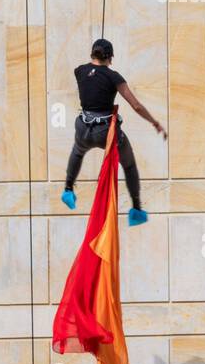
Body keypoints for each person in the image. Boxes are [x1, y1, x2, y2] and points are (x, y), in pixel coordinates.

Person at [61, 38, 167, 226]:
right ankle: (136, 210)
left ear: (92, 54)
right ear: (110, 58)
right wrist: (154, 122)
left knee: (77, 151)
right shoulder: (114, 77)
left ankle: (68, 189)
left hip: (84, 127)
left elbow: (91, 74)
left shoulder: (79, 71)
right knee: (129, 164)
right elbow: (136, 105)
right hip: (105, 132)